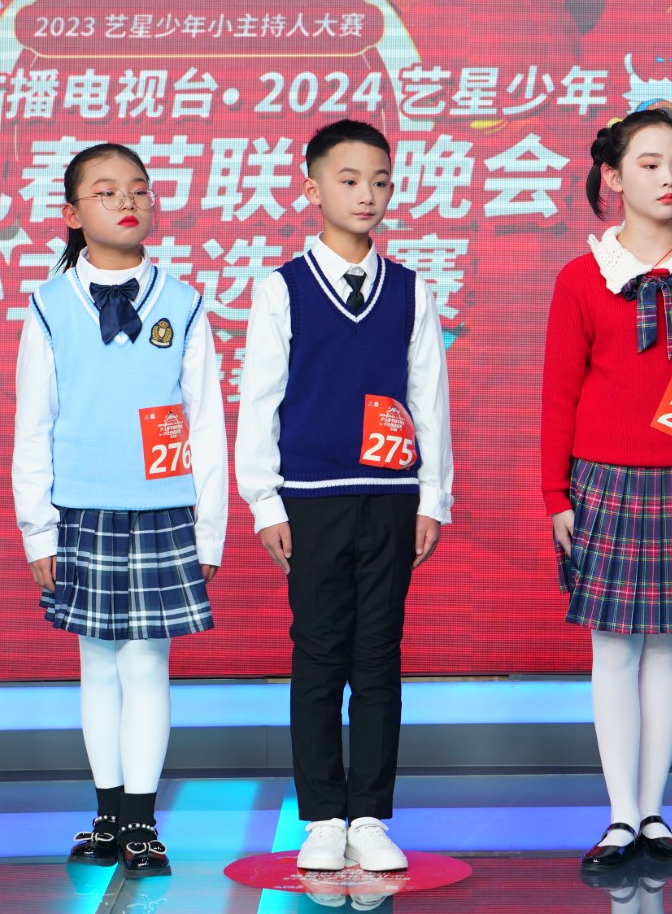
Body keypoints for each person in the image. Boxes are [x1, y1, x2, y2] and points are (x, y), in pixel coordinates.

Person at [236, 118, 453, 873]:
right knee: (320, 654)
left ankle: (370, 815)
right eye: (350, 180)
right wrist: (265, 501)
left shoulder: (410, 290)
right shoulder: (283, 288)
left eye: (381, 181)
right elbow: (259, 400)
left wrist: (432, 497)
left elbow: (429, 399)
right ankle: (323, 815)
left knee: (380, 657)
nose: (368, 194)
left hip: (391, 497)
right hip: (311, 499)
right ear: (312, 189)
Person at [541, 109, 672, 871]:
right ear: (613, 178)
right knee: (612, 649)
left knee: (668, 649)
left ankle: (655, 813)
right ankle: (619, 818)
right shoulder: (581, 278)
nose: (670, 179)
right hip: (601, 483)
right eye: (651, 164)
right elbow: (558, 393)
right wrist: (555, 495)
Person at [13, 142, 226, 878]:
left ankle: (141, 822)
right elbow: (33, 425)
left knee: (146, 664)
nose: (127, 201)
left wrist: (209, 529)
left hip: (163, 511)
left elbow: (205, 422)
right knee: (96, 666)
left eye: (138, 188)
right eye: (105, 192)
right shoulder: (49, 306)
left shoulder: (183, 302)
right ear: (72, 214)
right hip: (80, 512)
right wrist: (38, 527)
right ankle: (107, 815)